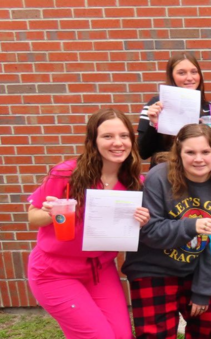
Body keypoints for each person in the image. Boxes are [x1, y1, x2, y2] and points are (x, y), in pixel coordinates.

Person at [27, 108, 149, 339]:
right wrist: (52, 213)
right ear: (93, 141)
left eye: (124, 136)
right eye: (107, 136)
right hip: (54, 272)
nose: (117, 143)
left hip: (99, 270)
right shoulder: (66, 174)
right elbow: (33, 216)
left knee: (122, 336)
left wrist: (141, 222)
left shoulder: (135, 182)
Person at [122, 124, 211, 338]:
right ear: (179, 153)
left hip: (193, 268)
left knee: (205, 326)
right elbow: (150, 231)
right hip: (153, 268)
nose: (198, 159)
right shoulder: (159, 177)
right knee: (156, 334)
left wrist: (203, 291)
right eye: (190, 152)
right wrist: (193, 225)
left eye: (205, 152)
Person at [137, 52, 211, 161]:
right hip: (167, 173)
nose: (189, 78)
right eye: (181, 73)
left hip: (200, 173)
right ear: (172, 76)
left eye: (194, 72)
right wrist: (153, 124)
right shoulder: (156, 105)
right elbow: (143, 152)